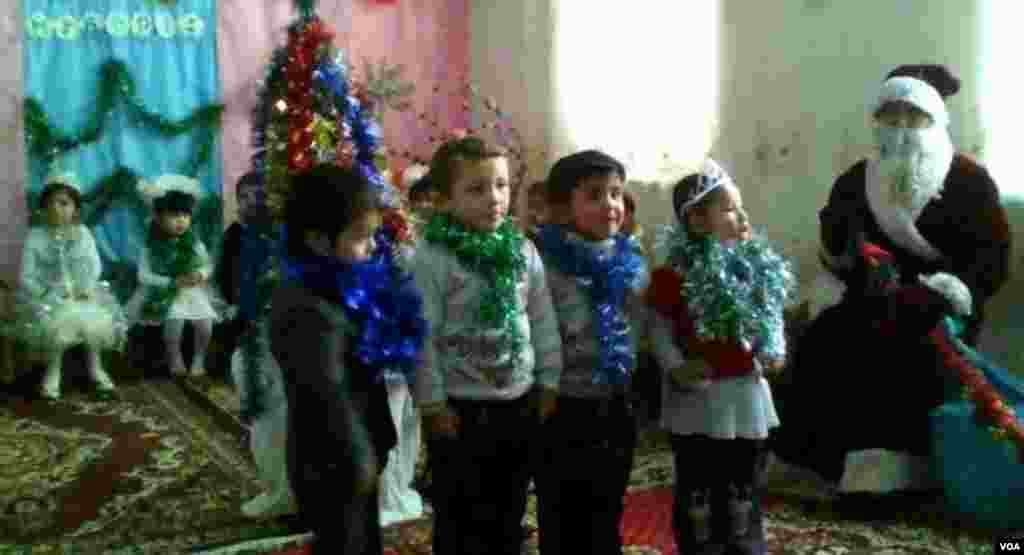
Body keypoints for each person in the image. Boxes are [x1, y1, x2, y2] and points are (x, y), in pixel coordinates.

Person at [771, 64, 1011, 499]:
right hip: (871, 297)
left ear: (935, 122)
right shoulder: (854, 181)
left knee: (904, 343)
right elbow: (836, 253)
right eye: (891, 117)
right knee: (826, 336)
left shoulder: (970, 183)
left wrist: (945, 290)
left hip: (940, 305)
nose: (901, 129)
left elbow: (991, 261)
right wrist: (851, 254)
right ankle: (822, 457)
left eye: (913, 118)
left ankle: (897, 467)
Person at [411, 136, 562, 555]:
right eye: (476, 189)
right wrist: (434, 405)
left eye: (501, 186)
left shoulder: (521, 249)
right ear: (442, 200)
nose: (494, 198)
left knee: (508, 506)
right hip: (460, 410)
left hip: (517, 401)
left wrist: (549, 380)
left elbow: (541, 317)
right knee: (460, 514)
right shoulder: (433, 258)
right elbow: (422, 336)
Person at [270, 164, 426, 553]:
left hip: (354, 455)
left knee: (361, 539)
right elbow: (327, 396)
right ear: (320, 241)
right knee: (346, 543)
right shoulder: (308, 310)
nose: (373, 246)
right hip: (335, 462)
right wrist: (358, 461)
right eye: (363, 237)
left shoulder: (336, 289)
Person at [646, 160, 794, 555]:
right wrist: (677, 366)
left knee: (744, 481)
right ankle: (701, 545)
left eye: (741, 207)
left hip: (746, 395)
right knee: (699, 482)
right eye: (729, 209)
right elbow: (658, 328)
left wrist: (773, 349)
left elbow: (771, 316)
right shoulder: (674, 275)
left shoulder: (755, 269)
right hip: (699, 399)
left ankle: (745, 544)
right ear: (696, 221)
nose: (742, 217)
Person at [532, 150, 649, 555]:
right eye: (595, 195)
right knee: (562, 508)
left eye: (616, 194)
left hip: (615, 401)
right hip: (563, 404)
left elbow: (643, 325)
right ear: (563, 210)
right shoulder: (546, 265)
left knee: (607, 503)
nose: (610, 205)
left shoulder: (632, 262)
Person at [10, 173, 127, 399]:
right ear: (43, 208)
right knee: (57, 324)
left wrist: (85, 286)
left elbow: (94, 266)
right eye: (51, 203)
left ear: (75, 208)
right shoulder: (36, 236)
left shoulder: (83, 234)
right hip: (47, 298)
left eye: (64, 203)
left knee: (92, 321)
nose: (57, 209)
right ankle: (53, 372)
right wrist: (47, 293)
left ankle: (95, 368)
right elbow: (26, 275)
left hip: (82, 294)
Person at [127, 175, 223, 378]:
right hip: (166, 292)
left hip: (192, 290)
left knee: (205, 322)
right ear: (158, 218)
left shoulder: (195, 243)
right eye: (173, 215)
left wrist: (200, 273)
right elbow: (143, 275)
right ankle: (174, 357)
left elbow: (209, 265)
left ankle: (199, 358)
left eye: (185, 215)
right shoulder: (151, 247)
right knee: (175, 322)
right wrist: (170, 281)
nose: (181, 220)